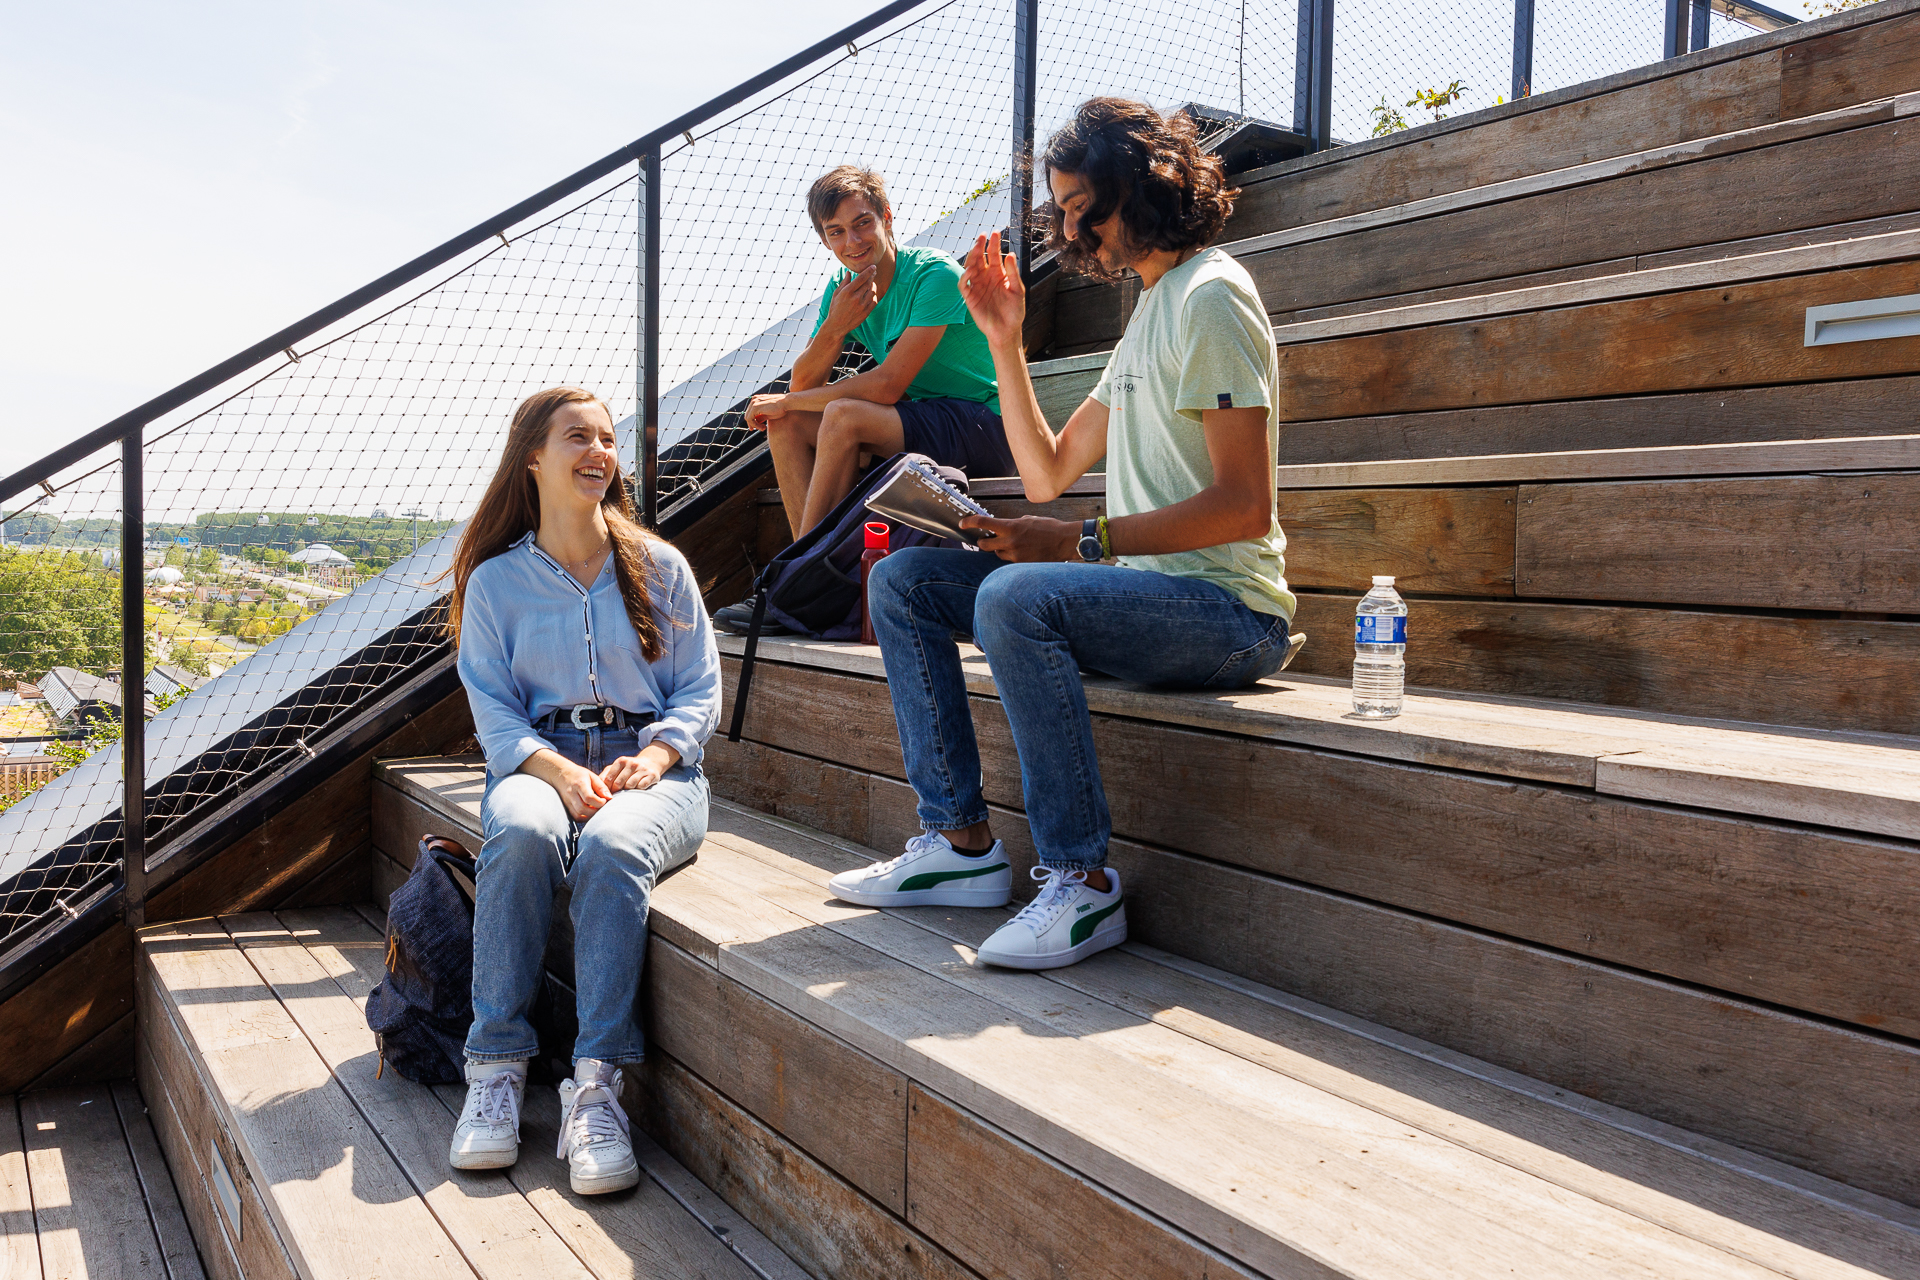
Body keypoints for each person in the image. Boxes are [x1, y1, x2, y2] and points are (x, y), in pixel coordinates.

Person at [826, 99, 1297, 971]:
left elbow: (1243, 508)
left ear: (1149, 188)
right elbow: (1045, 471)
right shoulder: (1150, 312)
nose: (1076, 229)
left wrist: (1077, 545)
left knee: (1013, 594)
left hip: (1227, 613)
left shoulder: (1215, 297)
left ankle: (1081, 882)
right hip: (1148, 597)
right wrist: (1004, 340)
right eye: (1065, 211)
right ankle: (961, 845)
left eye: (1090, 206)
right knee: (906, 582)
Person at [443, 385, 720, 1192]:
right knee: (524, 832)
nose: (600, 451)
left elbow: (700, 689)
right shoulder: (495, 583)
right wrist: (555, 769)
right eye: (579, 437)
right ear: (533, 455)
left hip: (655, 770)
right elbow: (492, 708)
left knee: (612, 843)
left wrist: (660, 757)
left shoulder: (658, 566)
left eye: (607, 439)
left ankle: (595, 1087)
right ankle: (493, 1068)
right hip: (539, 763)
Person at [715, 166, 1013, 635]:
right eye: (836, 232)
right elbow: (803, 385)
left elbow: (888, 385)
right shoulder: (843, 288)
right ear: (825, 241)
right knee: (787, 426)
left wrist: (791, 402)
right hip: (921, 420)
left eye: (861, 223)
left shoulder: (933, 274)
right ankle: (805, 588)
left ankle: (791, 585)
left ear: (887, 218)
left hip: (985, 423)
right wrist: (834, 329)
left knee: (842, 417)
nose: (852, 241)